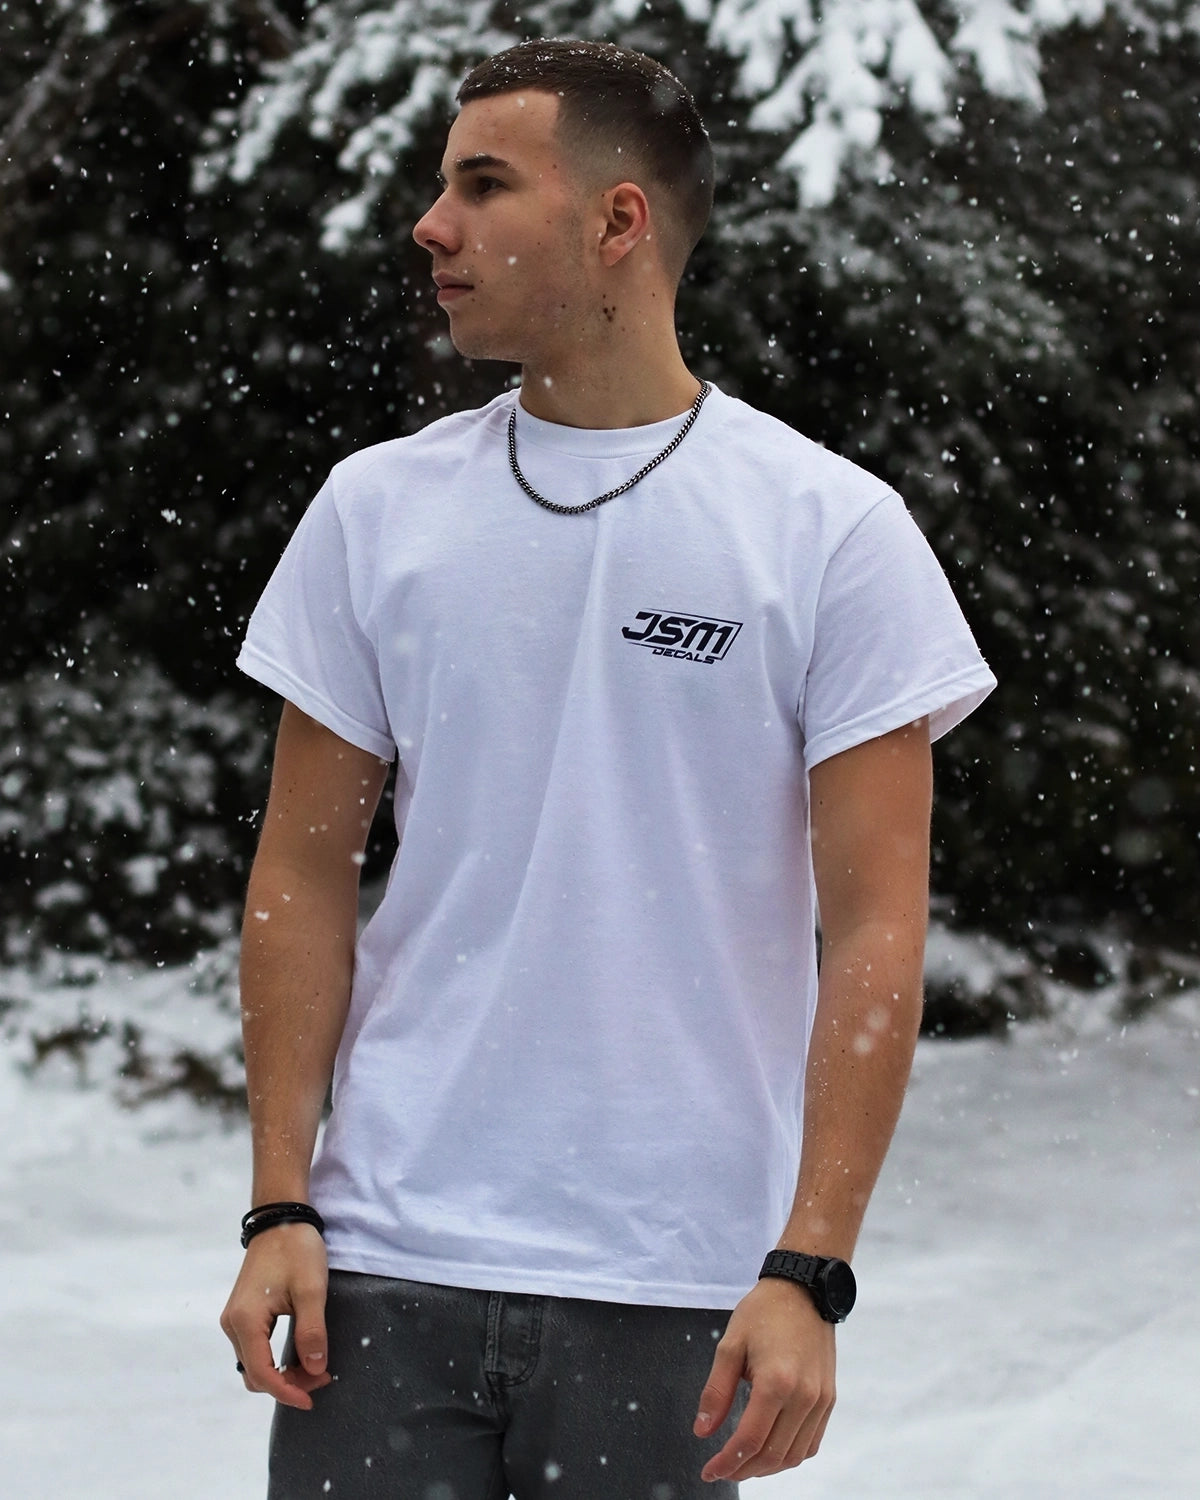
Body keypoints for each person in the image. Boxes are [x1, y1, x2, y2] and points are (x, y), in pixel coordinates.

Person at [220, 37, 996, 1500]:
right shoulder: (376, 511)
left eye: (483, 185)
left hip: (672, 1286)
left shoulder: (827, 532)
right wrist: (279, 1203)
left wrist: (812, 1263)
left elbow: (876, 928)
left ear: (618, 221)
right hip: (383, 1273)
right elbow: (301, 876)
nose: (430, 226)